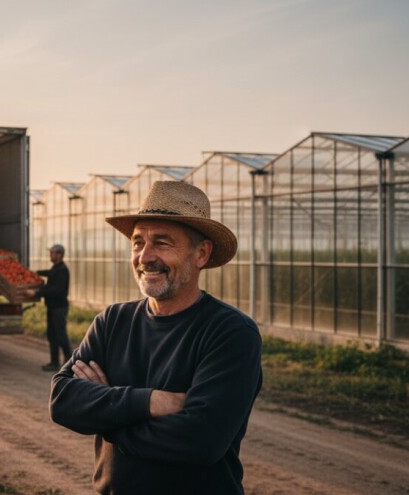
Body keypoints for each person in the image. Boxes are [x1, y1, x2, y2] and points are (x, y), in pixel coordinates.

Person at [49, 181, 262, 494]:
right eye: (137, 243)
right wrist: (152, 401)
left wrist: (108, 416)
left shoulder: (230, 333)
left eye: (161, 243)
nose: (145, 257)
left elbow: (200, 442)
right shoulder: (113, 321)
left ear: (201, 253)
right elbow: (63, 401)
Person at [25, 244, 71, 372]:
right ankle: (54, 362)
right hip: (52, 307)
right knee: (52, 335)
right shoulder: (56, 268)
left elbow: (56, 290)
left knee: (61, 335)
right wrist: (35, 272)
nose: (50, 255)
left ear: (59, 254)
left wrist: (37, 293)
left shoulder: (62, 270)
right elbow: (49, 273)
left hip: (59, 308)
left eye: (52, 253)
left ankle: (70, 362)